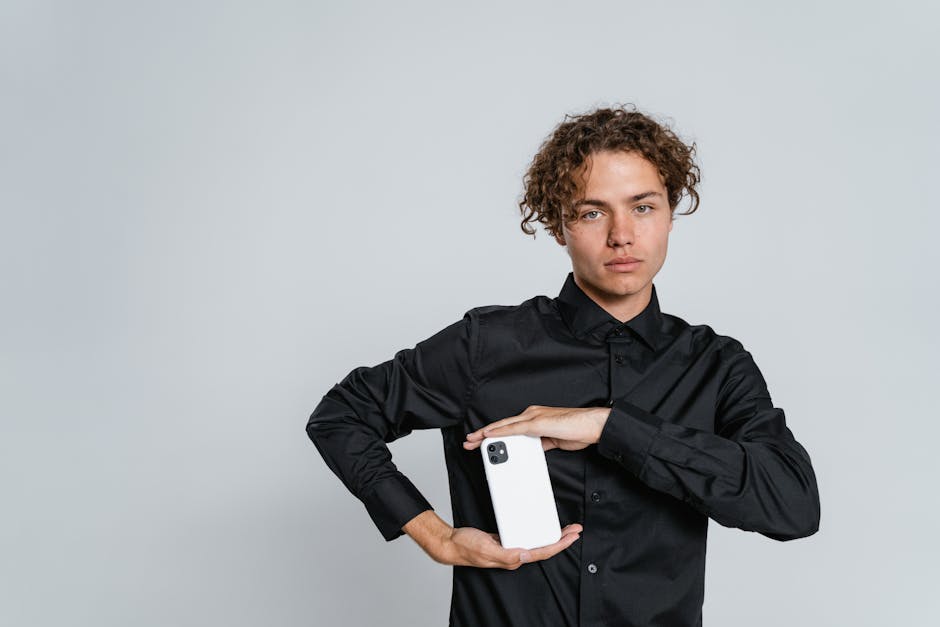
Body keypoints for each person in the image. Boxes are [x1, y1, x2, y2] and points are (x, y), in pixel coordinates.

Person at [306, 104, 821, 627]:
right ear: (558, 225)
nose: (622, 234)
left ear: (671, 213)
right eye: (592, 212)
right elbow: (341, 415)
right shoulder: (487, 346)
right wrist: (433, 536)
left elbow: (793, 506)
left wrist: (609, 427)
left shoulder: (716, 366)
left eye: (642, 207)